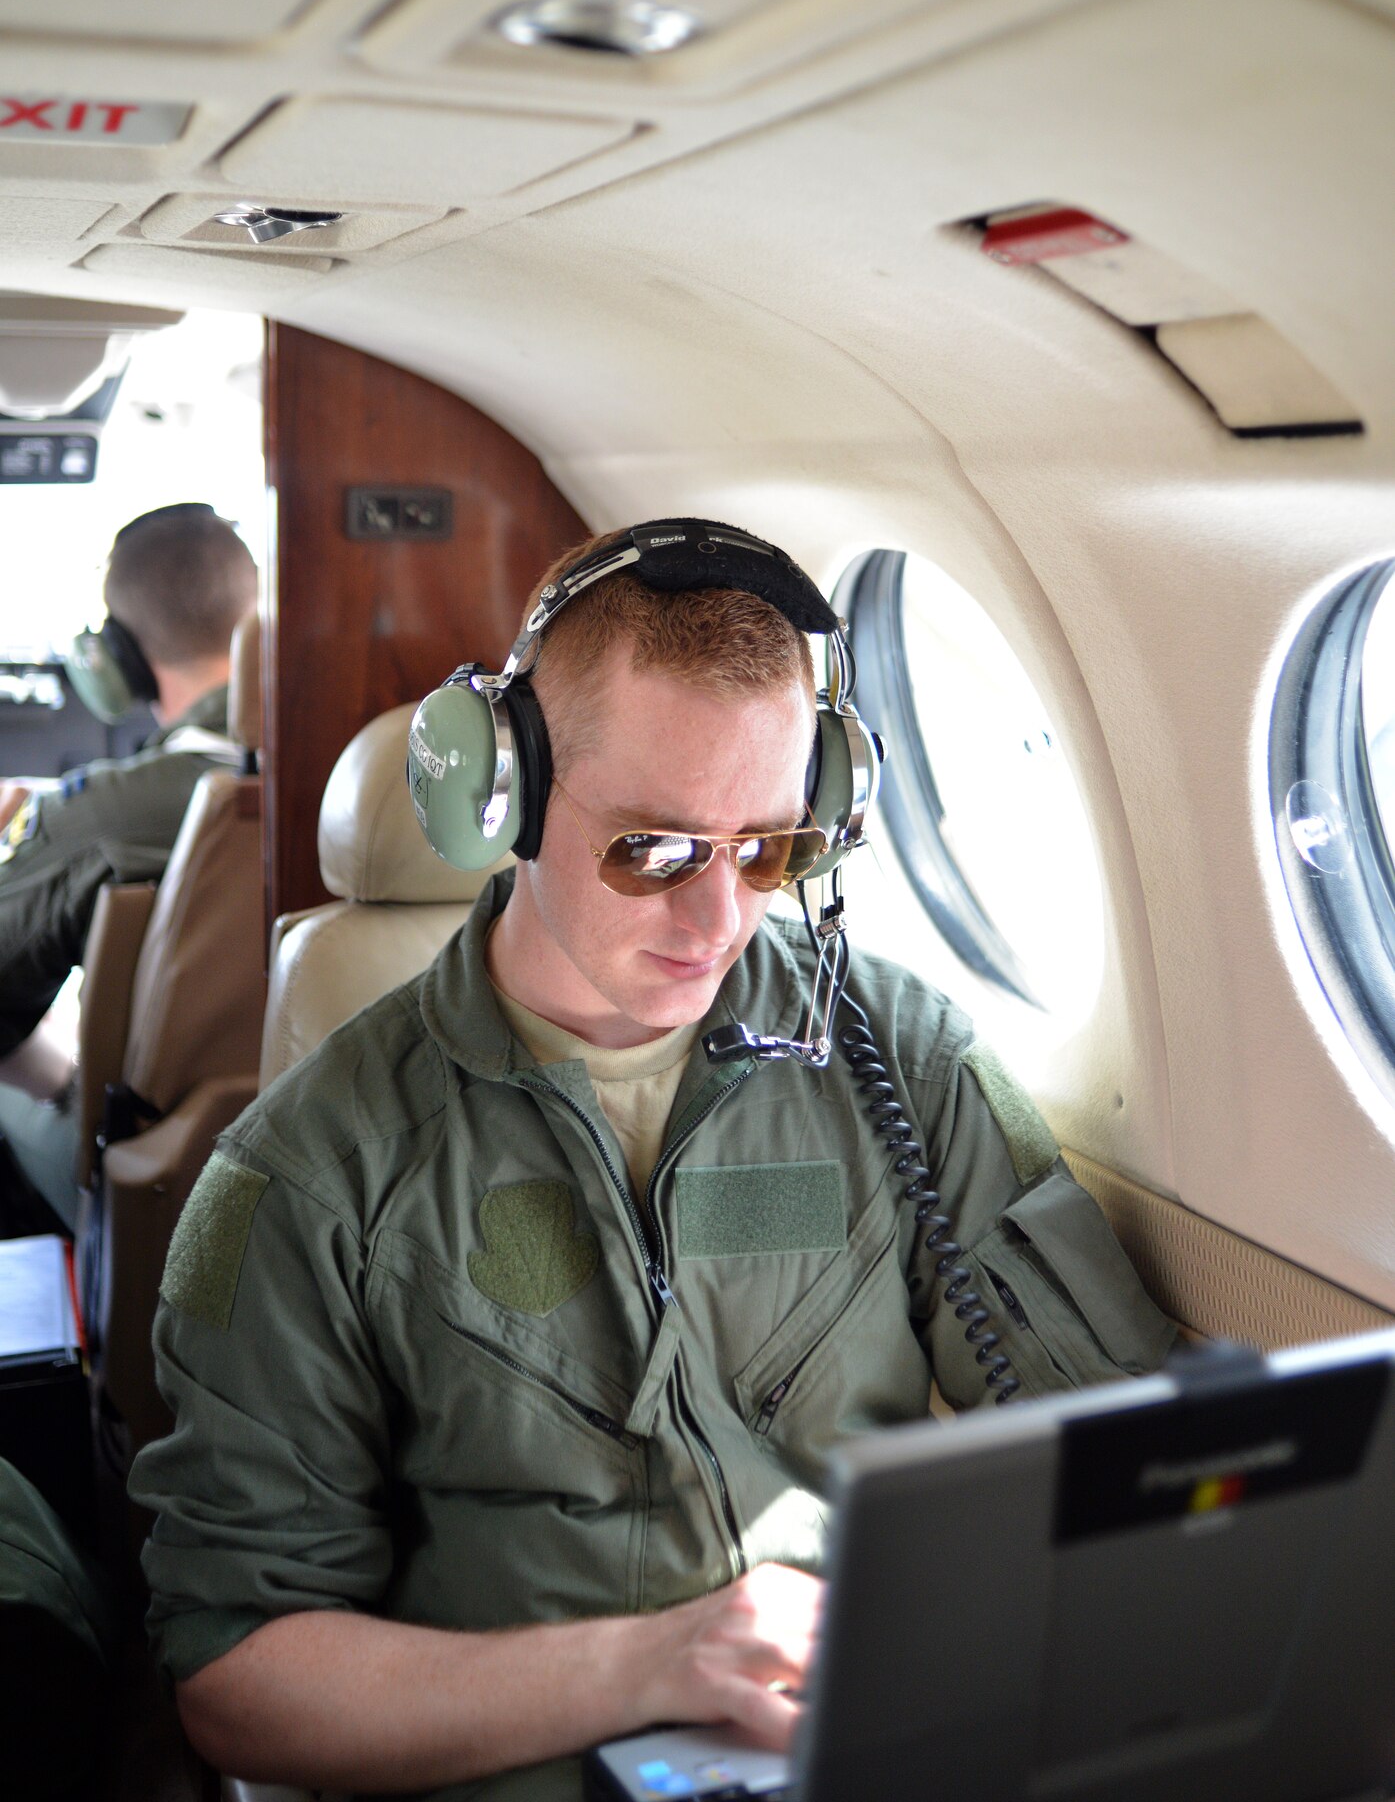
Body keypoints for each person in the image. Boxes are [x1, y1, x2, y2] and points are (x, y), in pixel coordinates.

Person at [132, 519, 1175, 1802]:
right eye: (657, 848)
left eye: (773, 846)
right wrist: (657, 1663)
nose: (719, 916)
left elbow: (1121, 1436)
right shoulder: (305, 1168)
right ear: (499, 794)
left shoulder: (905, 1057)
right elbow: (236, 1670)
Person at [0, 503, 257, 1232]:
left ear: (120, 655)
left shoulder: (98, 815)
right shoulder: (363, 779)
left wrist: (67, 1087)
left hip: (163, 1187)